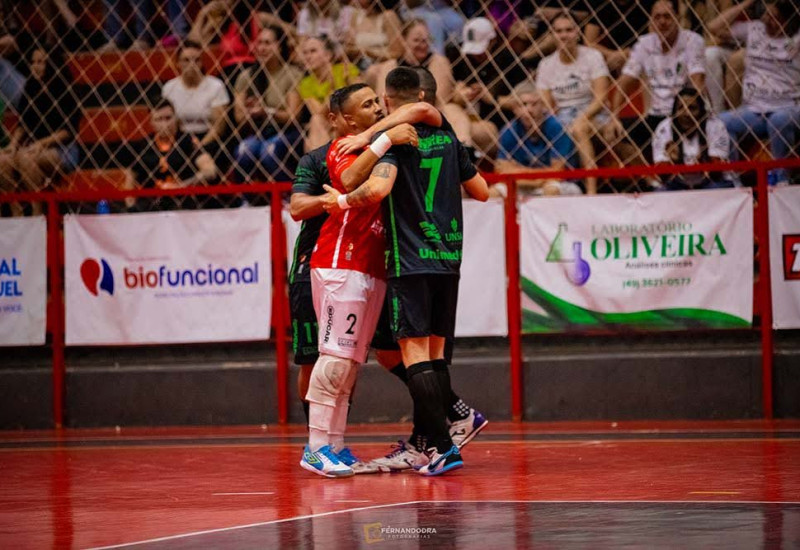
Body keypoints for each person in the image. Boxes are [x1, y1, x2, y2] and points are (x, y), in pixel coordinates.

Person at [320, 68, 490, 476]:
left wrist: (348, 189)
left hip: (410, 260)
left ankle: (444, 447)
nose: (379, 108)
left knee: (414, 358)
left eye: (381, 103)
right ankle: (432, 440)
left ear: (391, 104)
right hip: (448, 258)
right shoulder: (448, 136)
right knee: (432, 356)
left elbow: (371, 188)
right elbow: (482, 191)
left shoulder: (396, 144)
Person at [299, 83, 421, 477]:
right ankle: (315, 448)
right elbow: (351, 182)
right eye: (366, 105)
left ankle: (334, 444)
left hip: (370, 269)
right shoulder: (344, 147)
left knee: (351, 362)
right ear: (348, 119)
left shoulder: (374, 143)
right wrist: (386, 137)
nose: (376, 107)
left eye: (376, 101)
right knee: (334, 357)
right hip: (340, 265)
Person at [607, 0, 707, 166]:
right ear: (651, 20)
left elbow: (698, 82)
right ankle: (650, 181)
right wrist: (614, 117)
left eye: (667, 17)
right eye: (657, 17)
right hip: (656, 114)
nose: (662, 22)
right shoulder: (644, 44)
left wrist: (692, 114)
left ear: (677, 18)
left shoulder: (693, 40)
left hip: (684, 114)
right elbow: (623, 83)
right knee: (611, 133)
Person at [711, 0, 800, 186]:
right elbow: (714, 27)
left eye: (775, 18)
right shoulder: (755, 29)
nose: (768, 20)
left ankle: (781, 178)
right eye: (767, 14)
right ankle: (732, 179)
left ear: (788, 20)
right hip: (754, 110)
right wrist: (746, 3)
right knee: (721, 122)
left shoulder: (797, 39)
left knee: (779, 120)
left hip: (788, 107)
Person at [536, 11, 611, 195]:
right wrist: (560, 122)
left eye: (569, 30)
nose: (564, 35)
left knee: (579, 128)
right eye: (559, 31)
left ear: (578, 32)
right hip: (561, 115)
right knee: (556, 127)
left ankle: (590, 192)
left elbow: (601, 97)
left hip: (593, 112)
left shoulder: (593, 56)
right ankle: (555, 185)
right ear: (552, 35)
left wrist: (581, 118)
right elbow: (546, 104)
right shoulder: (545, 65)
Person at [0, 47, 80, 216]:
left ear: (51, 64)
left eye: (41, 62)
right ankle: (17, 215)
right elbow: (23, 123)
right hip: (33, 148)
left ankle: (38, 214)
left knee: (25, 158)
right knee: (4, 160)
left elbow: (68, 131)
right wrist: (12, 145)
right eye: (33, 62)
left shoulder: (65, 90)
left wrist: (41, 144)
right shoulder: (30, 87)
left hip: (62, 149)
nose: (35, 66)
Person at [232, 26, 303, 183]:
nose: (262, 48)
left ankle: (288, 195)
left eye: (268, 43)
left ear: (279, 46)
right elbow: (239, 117)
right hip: (259, 131)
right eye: (260, 43)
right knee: (244, 150)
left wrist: (267, 112)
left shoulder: (292, 74)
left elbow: (293, 117)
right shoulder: (246, 76)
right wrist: (249, 111)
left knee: (269, 151)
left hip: (287, 132)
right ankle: (248, 200)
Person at [127, 98, 218, 209]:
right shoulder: (143, 145)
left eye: (168, 118)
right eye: (159, 119)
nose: (165, 124)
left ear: (176, 118)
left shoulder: (187, 141)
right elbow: (130, 179)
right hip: (151, 204)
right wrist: (130, 206)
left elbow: (210, 171)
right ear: (151, 122)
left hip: (182, 202)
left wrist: (180, 186)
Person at [495, 83, 581, 196]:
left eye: (534, 104)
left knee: (551, 191)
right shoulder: (509, 131)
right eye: (523, 105)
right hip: (524, 184)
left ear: (543, 106)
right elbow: (501, 171)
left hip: (559, 183)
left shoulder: (556, 127)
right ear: (515, 109)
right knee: (494, 192)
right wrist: (538, 177)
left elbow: (558, 172)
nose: (529, 110)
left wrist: (518, 170)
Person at [652, 86, 733, 190]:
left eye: (692, 108)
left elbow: (717, 173)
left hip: (710, 182)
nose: (687, 114)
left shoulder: (715, 126)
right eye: (681, 108)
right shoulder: (664, 128)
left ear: (701, 112)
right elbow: (661, 175)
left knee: (720, 188)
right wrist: (673, 162)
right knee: (660, 191)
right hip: (677, 184)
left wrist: (704, 158)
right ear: (674, 111)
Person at [161, 41, 230, 150]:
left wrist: (201, 145)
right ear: (177, 63)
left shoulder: (216, 85)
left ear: (202, 62)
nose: (191, 64)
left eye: (196, 60)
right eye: (186, 60)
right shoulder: (169, 87)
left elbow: (219, 127)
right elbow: (167, 122)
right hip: (180, 138)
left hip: (209, 138)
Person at [298, 35, 362, 150]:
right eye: (305, 53)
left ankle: (320, 164)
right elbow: (318, 112)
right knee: (316, 121)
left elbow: (362, 96)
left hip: (353, 120)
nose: (308, 57)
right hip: (329, 125)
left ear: (328, 55)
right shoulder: (305, 83)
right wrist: (334, 93)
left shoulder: (345, 69)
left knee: (312, 138)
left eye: (313, 51)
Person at [344, 0, 403, 70]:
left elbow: (397, 53)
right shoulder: (355, 15)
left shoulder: (388, 16)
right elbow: (349, 46)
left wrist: (369, 53)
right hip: (358, 66)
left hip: (384, 66)